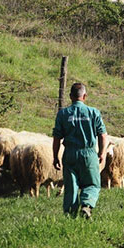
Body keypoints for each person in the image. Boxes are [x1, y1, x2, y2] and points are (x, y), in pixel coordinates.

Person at [52, 82, 108, 218]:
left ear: (70, 96)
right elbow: (102, 135)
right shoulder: (93, 112)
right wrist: (102, 153)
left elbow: (57, 138)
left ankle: (70, 215)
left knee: (71, 186)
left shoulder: (63, 114)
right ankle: (87, 205)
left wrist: (55, 157)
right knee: (92, 183)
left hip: (70, 153)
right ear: (85, 96)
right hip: (88, 153)